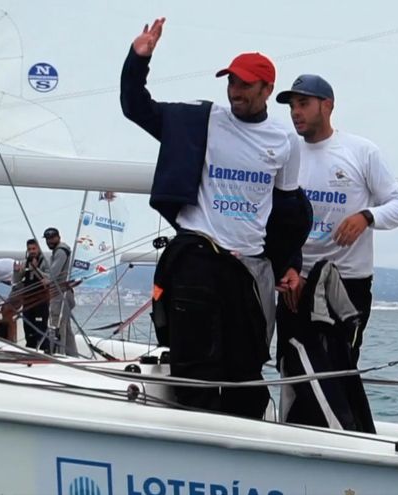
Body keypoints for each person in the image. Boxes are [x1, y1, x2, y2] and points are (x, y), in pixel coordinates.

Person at [121, 18, 311, 418]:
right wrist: (139, 58)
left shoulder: (285, 141)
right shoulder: (200, 120)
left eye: (244, 85)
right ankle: (195, 450)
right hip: (198, 256)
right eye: (231, 83)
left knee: (246, 370)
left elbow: (288, 210)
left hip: (248, 268)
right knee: (196, 367)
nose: (235, 91)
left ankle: (244, 456)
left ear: (266, 90)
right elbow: (136, 107)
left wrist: (290, 263)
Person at [274, 74, 398, 367]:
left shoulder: (361, 151)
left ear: (327, 106)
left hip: (347, 282)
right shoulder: (286, 154)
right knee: (292, 368)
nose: (296, 112)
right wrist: (286, 268)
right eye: (292, 106)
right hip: (297, 280)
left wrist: (367, 216)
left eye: (303, 103)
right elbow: (274, 219)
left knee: (339, 370)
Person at [43, 227, 77, 356]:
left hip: (60, 294)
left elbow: (53, 274)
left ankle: (59, 354)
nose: (49, 241)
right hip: (63, 293)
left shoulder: (61, 252)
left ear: (58, 237)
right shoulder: (60, 251)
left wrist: (46, 279)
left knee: (58, 325)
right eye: (47, 239)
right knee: (66, 327)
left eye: (52, 238)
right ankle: (72, 355)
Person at [13, 238, 51, 351]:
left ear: (38, 248)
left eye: (34, 248)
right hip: (28, 299)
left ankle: (44, 348)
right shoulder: (26, 262)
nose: (32, 251)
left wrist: (35, 269)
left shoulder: (45, 262)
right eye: (29, 249)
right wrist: (16, 271)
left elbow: (48, 278)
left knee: (40, 325)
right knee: (28, 325)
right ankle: (30, 347)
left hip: (41, 300)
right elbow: (17, 280)